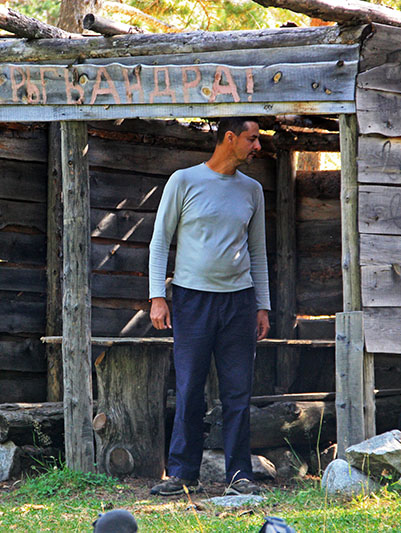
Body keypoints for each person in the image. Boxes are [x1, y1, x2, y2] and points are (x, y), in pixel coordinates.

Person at [148, 116, 270, 497]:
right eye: (252, 139)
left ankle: (239, 475)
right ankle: (183, 473)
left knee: (237, 391)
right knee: (189, 388)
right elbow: (159, 241)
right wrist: (157, 296)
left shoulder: (252, 190)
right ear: (230, 138)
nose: (258, 146)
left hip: (239, 302)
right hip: (192, 300)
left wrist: (262, 305)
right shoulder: (183, 181)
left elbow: (258, 251)